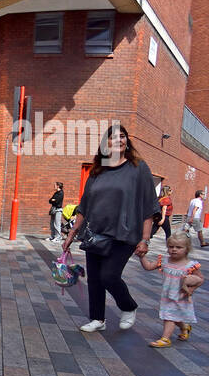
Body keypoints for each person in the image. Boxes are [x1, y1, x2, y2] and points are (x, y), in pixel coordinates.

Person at [61, 121, 159, 333]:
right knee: (95, 279)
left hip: (124, 234)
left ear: (127, 141)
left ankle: (128, 306)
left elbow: (149, 204)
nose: (119, 140)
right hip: (95, 232)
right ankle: (98, 319)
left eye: (122, 136)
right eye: (113, 137)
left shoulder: (137, 168)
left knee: (109, 276)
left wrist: (145, 238)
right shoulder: (97, 171)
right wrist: (72, 233)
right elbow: (84, 205)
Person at [138, 232, 203, 347]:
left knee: (170, 316)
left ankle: (165, 339)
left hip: (181, 297)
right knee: (172, 316)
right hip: (167, 296)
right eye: (171, 247)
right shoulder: (164, 261)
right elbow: (148, 267)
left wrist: (191, 288)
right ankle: (185, 327)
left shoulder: (190, 265)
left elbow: (200, 279)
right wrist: (142, 257)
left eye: (178, 247)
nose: (174, 250)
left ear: (187, 249)